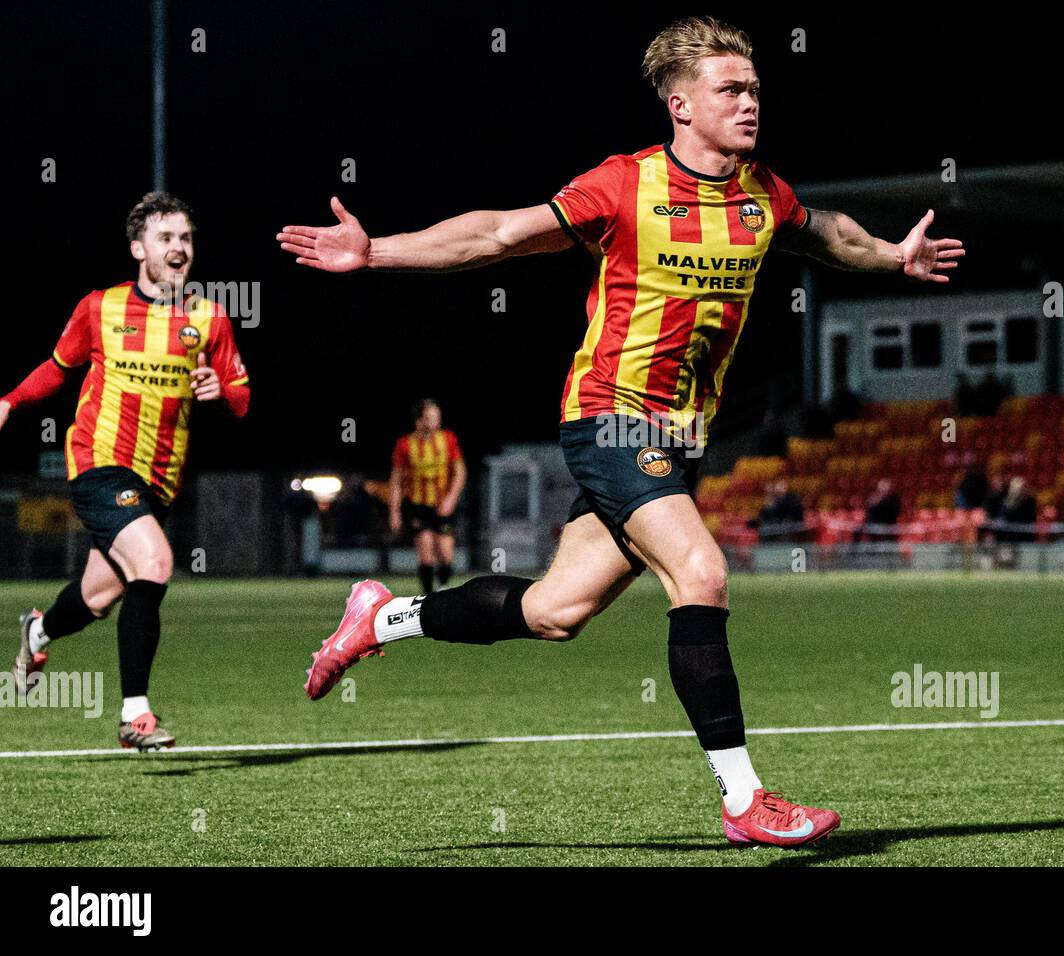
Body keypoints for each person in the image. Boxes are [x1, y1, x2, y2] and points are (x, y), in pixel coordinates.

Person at [277, 16, 962, 847]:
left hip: (680, 440)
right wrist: (378, 251)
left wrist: (893, 257)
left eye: (754, 90)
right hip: (608, 418)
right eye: (731, 90)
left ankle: (381, 619)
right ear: (680, 104)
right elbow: (498, 232)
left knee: (555, 611)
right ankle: (745, 800)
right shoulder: (624, 184)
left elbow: (826, 233)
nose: (750, 104)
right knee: (702, 572)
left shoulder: (760, 193)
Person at [1, 192, 250, 749]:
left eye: (185, 238)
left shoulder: (209, 317)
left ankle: (37, 630)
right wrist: (10, 401)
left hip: (159, 480)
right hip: (98, 462)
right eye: (166, 238)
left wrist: (220, 391)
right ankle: (134, 715)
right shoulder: (100, 307)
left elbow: (241, 397)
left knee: (97, 596)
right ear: (139, 248)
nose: (179, 248)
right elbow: (57, 367)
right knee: (157, 561)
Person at [389, 399, 466, 593]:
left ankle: (443, 587)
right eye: (431, 418)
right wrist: (395, 512)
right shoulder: (405, 444)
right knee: (426, 554)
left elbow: (460, 472)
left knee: (446, 554)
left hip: (443, 504)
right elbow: (396, 481)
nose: (436, 422)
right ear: (419, 421)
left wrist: (451, 498)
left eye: (437, 418)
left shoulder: (448, 439)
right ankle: (428, 597)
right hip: (417, 506)